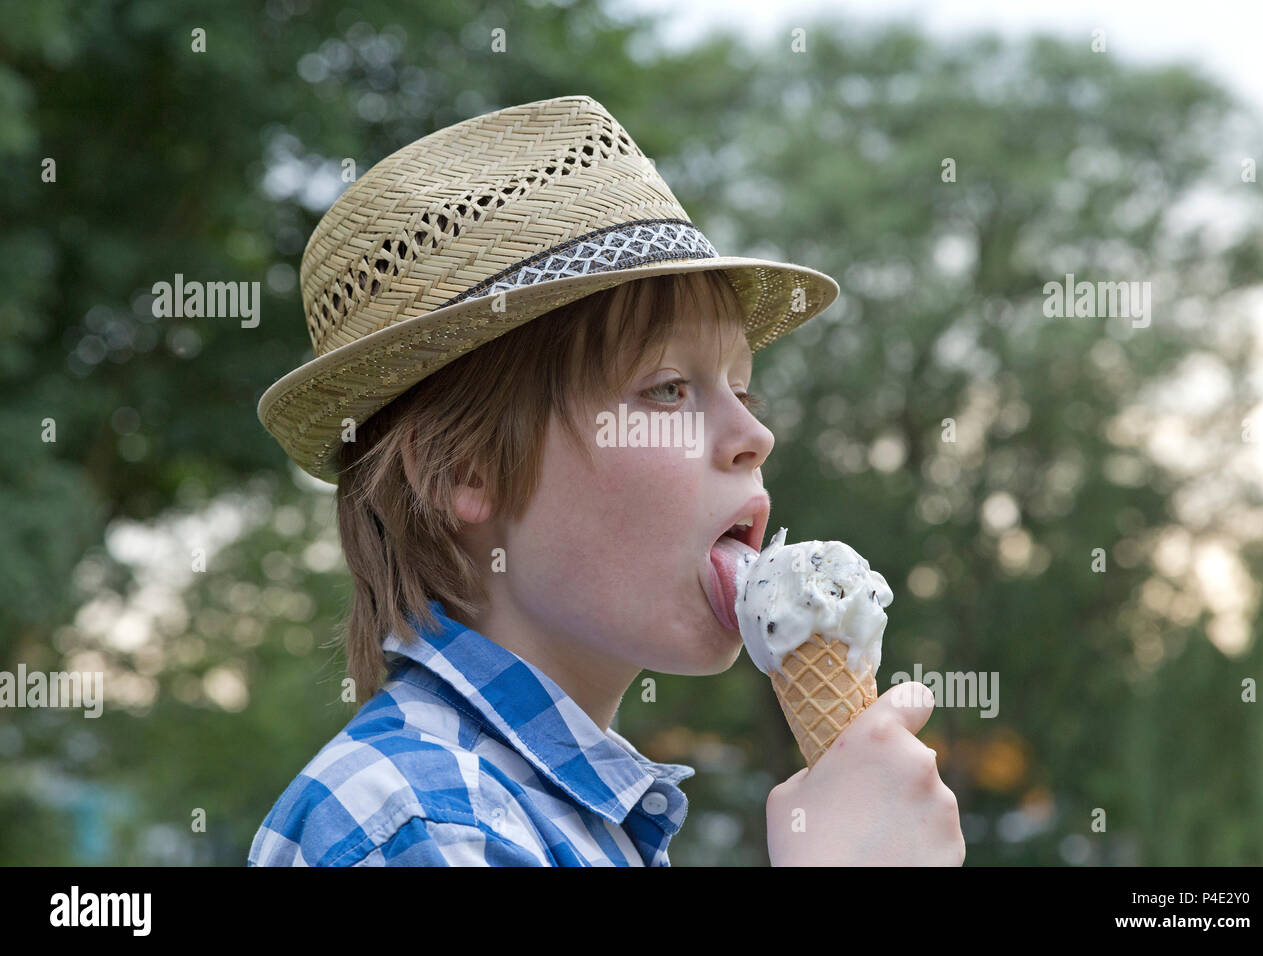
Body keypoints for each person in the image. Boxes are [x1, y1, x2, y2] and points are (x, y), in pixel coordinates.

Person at [248, 95, 963, 866]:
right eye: (667, 389)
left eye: (742, 388)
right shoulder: (418, 819)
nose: (756, 436)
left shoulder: (586, 823)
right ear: (465, 469)